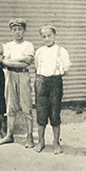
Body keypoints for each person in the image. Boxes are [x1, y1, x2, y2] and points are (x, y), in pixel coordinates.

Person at [0, 18, 35, 148]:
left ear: (24, 30)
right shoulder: (8, 46)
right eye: (14, 30)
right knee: (10, 106)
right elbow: (4, 62)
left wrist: (10, 62)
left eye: (20, 29)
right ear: (11, 31)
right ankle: (9, 135)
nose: (17, 32)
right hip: (10, 75)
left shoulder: (28, 45)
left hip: (23, 75)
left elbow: (28, 62)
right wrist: (18, 60)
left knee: (26, 107)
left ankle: (29, 137)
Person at [34, 25, 71, 154]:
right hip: (41, 82)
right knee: (41, 112)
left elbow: (65, 70)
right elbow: (36, 66)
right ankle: (41, 141)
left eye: (49, 35)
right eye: (43, 36)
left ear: (54, 35)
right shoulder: (39, 51)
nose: (47, 38)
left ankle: (56, 142)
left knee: (55, 112)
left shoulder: (62, 51)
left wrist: (54, 74)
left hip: (55, 82)